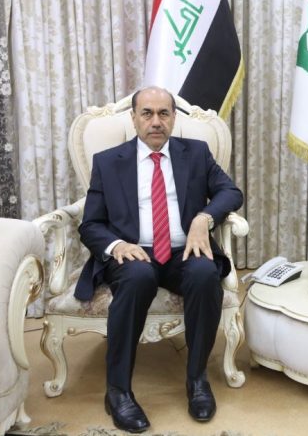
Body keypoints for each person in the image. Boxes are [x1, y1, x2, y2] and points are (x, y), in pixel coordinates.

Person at [76, 87, 243, 432]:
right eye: (147, 113)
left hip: (184, 250)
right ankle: (118, 390)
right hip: (134, 252)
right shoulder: (108, 162)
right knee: (138, 276)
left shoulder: (196, 153)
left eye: (163, 113)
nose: (156, 121)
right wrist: (116, 246)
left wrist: (204, 218)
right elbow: (90, 224)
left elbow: (230, 192)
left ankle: (197, 380)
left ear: (173, 118)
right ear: (134, 118)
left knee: (204, 274)